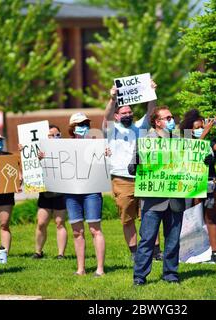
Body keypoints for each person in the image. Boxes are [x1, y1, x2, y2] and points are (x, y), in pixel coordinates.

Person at [103, 80, 162, 261]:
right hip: (122, 180)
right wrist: (112, 99)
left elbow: (151, 111)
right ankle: (135, 252)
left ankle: (156, 251)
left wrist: (151, 92)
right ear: (117, 116)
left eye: (130, 112)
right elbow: (105, 117)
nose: (128, 114)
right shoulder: (111, 129)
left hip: (143, 176)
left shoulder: (140, 127)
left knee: (150, 214)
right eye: (124, 112)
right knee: (127, 218)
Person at [128, 106, 185, 285]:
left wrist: (203, 161)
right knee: (147, 240)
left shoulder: (181, 142)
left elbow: (190, 169)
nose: (171, 120)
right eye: (167, 118)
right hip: (152, 202)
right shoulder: (145, 142)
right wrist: (137, 162)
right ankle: (139, 276)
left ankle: (171, 274)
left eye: (172, 117)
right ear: (157, 122)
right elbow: (131, 169)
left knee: (173, 240)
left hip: (175, 199)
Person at [179, 109, 216, 263]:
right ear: (189, 130)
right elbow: (191, 151)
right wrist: (205, 132)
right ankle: (193, 251)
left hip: (209, 183)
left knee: (210, 218)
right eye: (197, 127)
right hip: (193, 184)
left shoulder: (208, 142)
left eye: (202, 126)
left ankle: (214, 253)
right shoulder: (185, 143)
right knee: (194, 218)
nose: (201, 129)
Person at [62, 112, 106, 277]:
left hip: (92, 191)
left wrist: (106, 154)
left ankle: (100, 269)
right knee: (76, 231)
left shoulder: (97, 144)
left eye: (86, 124)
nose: (84, 127)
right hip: (72, 193)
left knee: (95, 229)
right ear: (72, 128)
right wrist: (43, 157)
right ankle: (81, 269)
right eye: (80, 125)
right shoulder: (63, 147)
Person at [32, 125, 68, 260]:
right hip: (45, 192)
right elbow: (30, 166)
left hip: (61, 192)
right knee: (41, 222)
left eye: (56, 134)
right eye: (50, 135)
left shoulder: (66, 149)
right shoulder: (39, 151)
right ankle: (38, 251)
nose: (53, 137)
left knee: (60, 222)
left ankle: (61, 254)